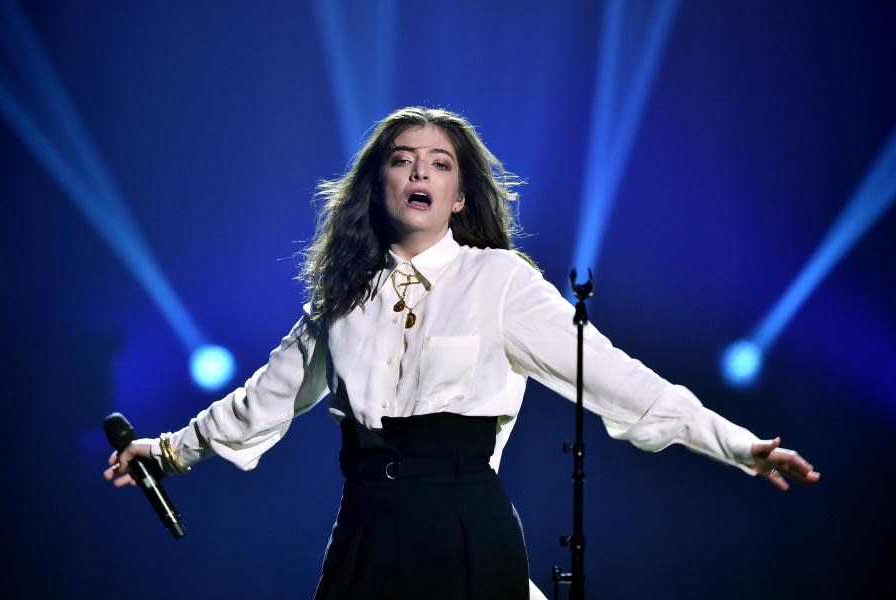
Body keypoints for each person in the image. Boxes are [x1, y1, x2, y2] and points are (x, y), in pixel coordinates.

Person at [105, 106, 820, 599]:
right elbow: (262, 399)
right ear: (378, 186)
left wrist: (739, 446)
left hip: (464, 530)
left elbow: (615, 378)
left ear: (456, 195)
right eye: (402, 160)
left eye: (439, 163)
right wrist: (166, 450)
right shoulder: (339, 301)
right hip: (364, 531)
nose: (420, 171)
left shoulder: (499, 281)